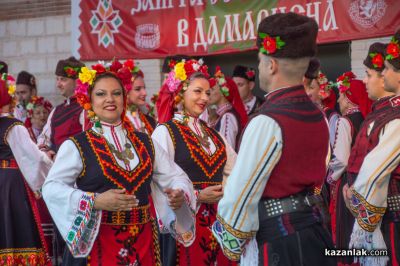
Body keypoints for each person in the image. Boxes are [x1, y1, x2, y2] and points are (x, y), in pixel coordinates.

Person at [211, 12, 336, 265]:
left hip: (280, 238)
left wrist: (230, 241)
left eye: (260, 60)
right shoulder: (318, 114)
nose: (259, 67)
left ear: (271, 65)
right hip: (316, 229)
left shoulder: (267, 121)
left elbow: (242, 192)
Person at [42, 63, 196, 266]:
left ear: (124, 98)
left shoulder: (146, 142)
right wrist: (94, 201)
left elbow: (175, 176)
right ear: (88, 100)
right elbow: (51, 188)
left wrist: (179, 192)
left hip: (144, 244)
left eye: (116, 93)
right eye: (101, 94)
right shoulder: (77, 145)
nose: (109, 99)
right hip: (98, 245)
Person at [153, 58, 237, 265]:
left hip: (218, 223)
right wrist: (198, 196)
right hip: (185, 222)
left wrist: (224, 191)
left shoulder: (215, 135)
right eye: (197, 91)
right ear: (181, 93)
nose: (204, 98)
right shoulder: (165, 132)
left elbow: (235, 171)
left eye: (208, 93)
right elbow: (159, 182)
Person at [343, 32, 400, 266]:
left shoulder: (395, 117)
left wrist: (354, 200)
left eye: (386, 68)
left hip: (390, 216)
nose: (383, 73)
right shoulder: (384, 114)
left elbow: (374, 170)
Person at [0, 71, 53, 265]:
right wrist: (48, 162)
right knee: (16, 225)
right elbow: (33, 159)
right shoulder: (13, 126)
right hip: (11, 183)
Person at [327, 72, 372, 259]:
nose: (338, 99)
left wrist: (330, 177)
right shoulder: (366, 119)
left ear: (348, 97)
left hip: (347, 180)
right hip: (363, 181)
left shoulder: (345, 121)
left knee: (345, 228)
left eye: (341, 95)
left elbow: (342, 160)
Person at [37, 56, 87, 152]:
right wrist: (46, 151)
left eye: (63, 79)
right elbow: (44, 139)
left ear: (77, 82)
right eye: (57, 79)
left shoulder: (86, 108)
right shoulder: (56, 110)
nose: (58, 84)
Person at [208, 66, 248, 150]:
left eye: (212, 89)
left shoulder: (228, 117)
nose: (208, 93)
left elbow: (227, 150)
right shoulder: (221, 115)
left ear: (222, 92)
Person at [124, 59, 157, 135]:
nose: (144, 93)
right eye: (138, 89)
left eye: (144, 88)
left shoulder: (150, 121)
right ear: (125, 91)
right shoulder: (117, 123)